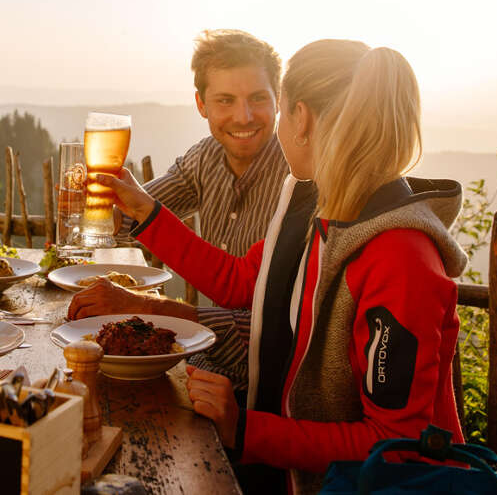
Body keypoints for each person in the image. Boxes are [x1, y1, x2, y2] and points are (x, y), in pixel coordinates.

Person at [69, 39, 467, 495]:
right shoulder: (325, 210)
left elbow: (396, 447)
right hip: (300, 470)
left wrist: (246, 428)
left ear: (301, 117)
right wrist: (143, 208)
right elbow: (240, 281)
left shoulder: (399, 255)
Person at [118, 29, 289, 393]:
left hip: (266, 392)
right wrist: (97, 205)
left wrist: (155, 312)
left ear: (280, 100)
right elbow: (136, 214)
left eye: (258, 98)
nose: (243, 117)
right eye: (225, 100)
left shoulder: (301, 179)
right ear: (201, 105)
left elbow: (270, 326)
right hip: (205, 365)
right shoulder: (204, 157)